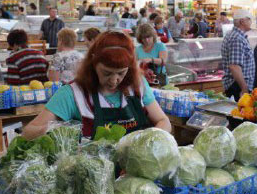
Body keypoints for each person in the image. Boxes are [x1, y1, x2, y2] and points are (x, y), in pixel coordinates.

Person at [23, 31, 171, 138]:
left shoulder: (138, 86)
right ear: (93, 62)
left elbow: (163, 121)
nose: (114, 80)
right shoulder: (73, 93)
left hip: (134, 175)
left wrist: (152, 139)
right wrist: (55, 131)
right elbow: (28, 131)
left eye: (121, 73)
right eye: (107, 73)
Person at [222, 9, 255, 100]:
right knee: (237, 113)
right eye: (249, 19)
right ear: (242, 21)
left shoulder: (235, 35)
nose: (251, 22)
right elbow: (234, 67)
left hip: (237, 85)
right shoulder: (237, 39)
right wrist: (244, 88)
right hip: (237, 87)